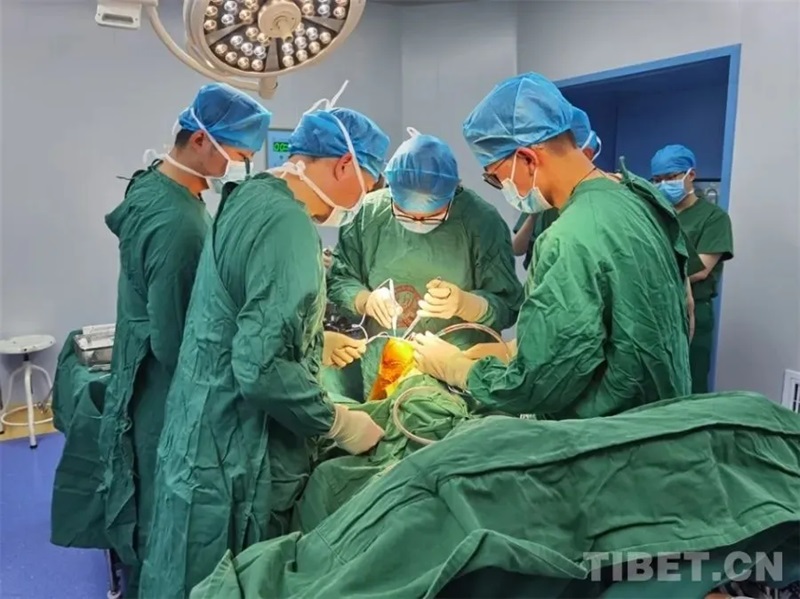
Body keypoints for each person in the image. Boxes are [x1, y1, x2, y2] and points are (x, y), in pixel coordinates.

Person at [138, 89, 390, 599]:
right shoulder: (289, 226)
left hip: (198, 424)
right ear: (345, 165)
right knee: (226, 580)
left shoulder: (252, 195)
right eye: (372, 181)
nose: (370, 194)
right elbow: (259, 367)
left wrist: (313, 340)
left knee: (179, 568)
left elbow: (242, 309)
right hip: (236, 447)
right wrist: (337, 422)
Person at [411, 72, 692, 419]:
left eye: (495, 176)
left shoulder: (567, 238)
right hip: (663, 418)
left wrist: (459, 369)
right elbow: (662, 312)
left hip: (608, 434)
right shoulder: (639, 197)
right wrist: (518, 348)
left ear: (527, 158)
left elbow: (536, 386)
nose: (501, 186)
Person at [98, 82, 271, 596]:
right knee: (163, 509)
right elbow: (179, 343)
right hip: (164, 387)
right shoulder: (180, 224)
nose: (241, 167)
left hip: (139, 365)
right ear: (199, 139)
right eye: (238, 154)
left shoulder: (153, 183)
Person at [326, 128, 523, 399]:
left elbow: (508, 304)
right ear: (392, 190)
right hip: (384, 370)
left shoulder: (482, 222)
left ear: (453, 192)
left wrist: (467, 303)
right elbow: (339, 278)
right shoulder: (368, 213)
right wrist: (364, 300)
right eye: (405, 214)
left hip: (456, 378)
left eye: (432, 216)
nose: (418, 223)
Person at [651, 144, 733, 393]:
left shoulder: (713, 218)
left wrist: (650, 275)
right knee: (652, 384)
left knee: (689, 384)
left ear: (691, 175)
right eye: (657, 180)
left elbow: (701, 269)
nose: (663, 185)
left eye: (670, 177)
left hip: (691, 310)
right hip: (653, 308)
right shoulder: (654, 214)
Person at [512, 106, 601, 270]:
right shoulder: (541, 193)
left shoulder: (593, 202)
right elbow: (517, 249)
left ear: (587, 154)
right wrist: (533, 214)